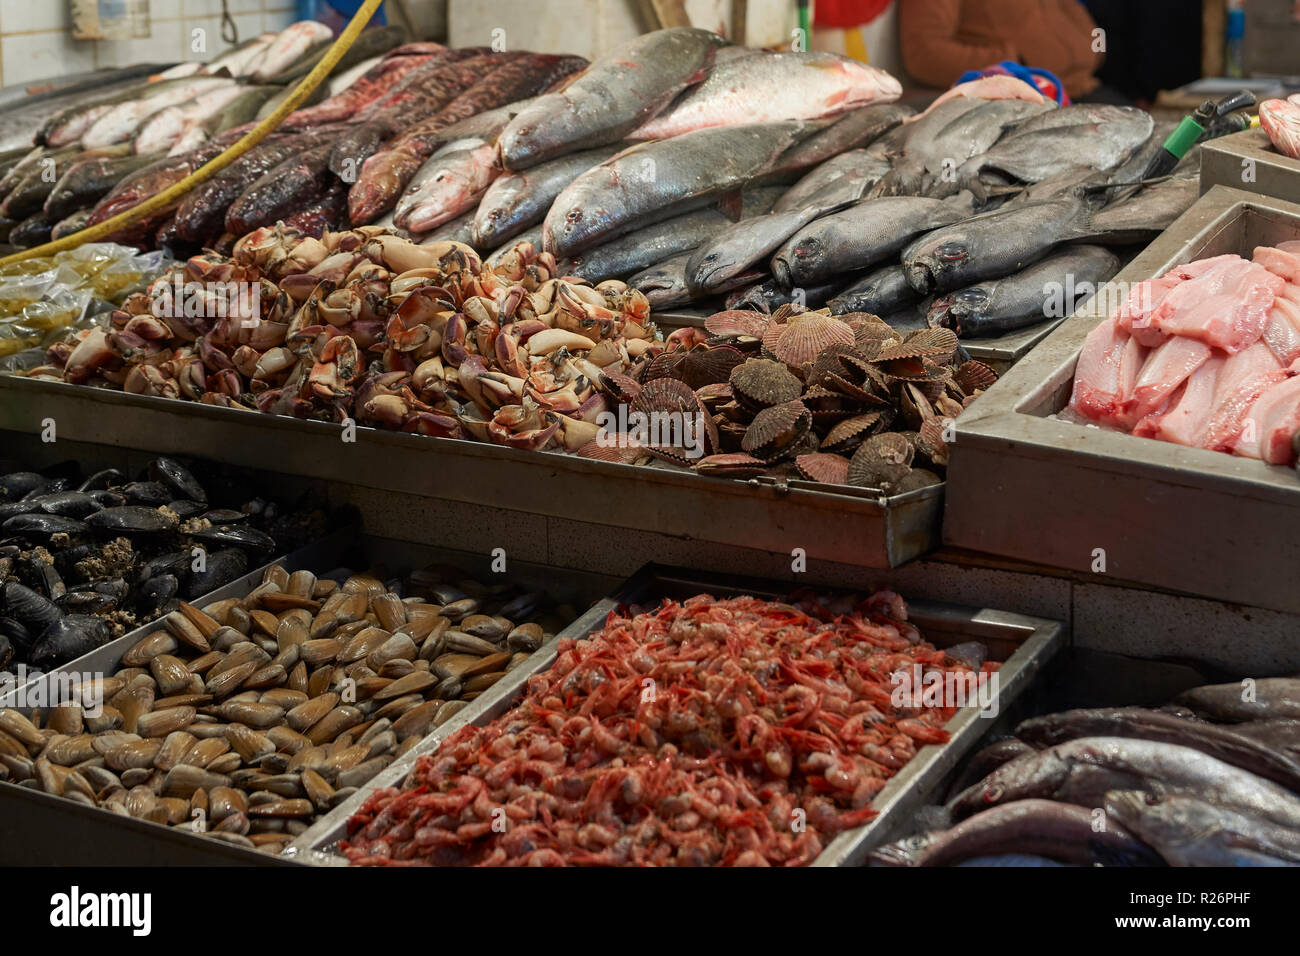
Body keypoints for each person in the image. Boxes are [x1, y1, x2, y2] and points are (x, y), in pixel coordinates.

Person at [898, 0, 1104, 101]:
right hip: (1025, 103)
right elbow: (924, 53)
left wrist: (1090, 51)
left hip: (1085, 86)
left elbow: (1075, 14)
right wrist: (1013, 64)